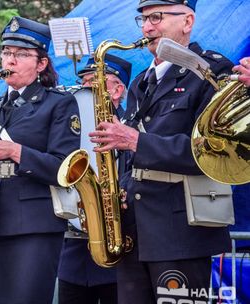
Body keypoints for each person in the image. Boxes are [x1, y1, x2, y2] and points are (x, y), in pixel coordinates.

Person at [89, 0, 234, 303]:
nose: (146, 28)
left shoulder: (210, 71)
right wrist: (120, 190)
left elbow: (215, 150)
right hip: (134, 232)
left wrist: (136, 142)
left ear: (187, 21)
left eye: (157, 17)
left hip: (181, 233)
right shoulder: (141, 82)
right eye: (141, 19)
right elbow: (131, 158)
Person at [0, 16, 80, 304]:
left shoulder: (59, 103)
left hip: (35, 225)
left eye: (20, 54)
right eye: (6, 52)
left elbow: (65, 168)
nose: (10, 60)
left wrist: (15, 151)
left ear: (41, 63)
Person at [57, 54, 132, 304]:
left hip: (119, 247)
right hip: (75, 251)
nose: (85, 88)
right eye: (84, 82)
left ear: (117, 89)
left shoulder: (134, 126)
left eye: (94, 82)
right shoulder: (72, 125)